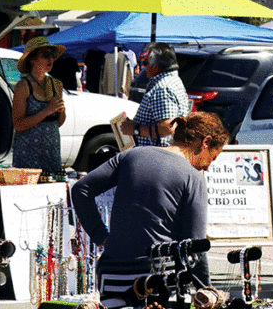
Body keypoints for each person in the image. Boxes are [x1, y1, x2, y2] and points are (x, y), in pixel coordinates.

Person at [71, 112, 228, 309]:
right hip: (156, 280)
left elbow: (80, 189)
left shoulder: (132, 155)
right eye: (212, 158)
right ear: (205, 142)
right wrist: (207, 290)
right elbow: (193, 247)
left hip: (112, 273)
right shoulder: (193, 178)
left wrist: (100, 235)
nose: (207, 165)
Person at [11, 37, 67, 174]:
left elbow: (58, 122)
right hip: (28, 154)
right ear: (32, 59)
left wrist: (61, 111)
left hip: (51, 153)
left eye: (52, 55)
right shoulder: (23, 86)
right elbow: (18, 126)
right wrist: (47, 111)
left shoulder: (56, 85)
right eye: (45, 55)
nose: (50, 59)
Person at [120, 43, 191, 146]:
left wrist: (135, 129)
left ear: (155, 67)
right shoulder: (172, 81)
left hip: (156, 155)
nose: (143, 67)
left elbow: (167, 128)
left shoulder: (163, 88)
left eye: (145, 62)